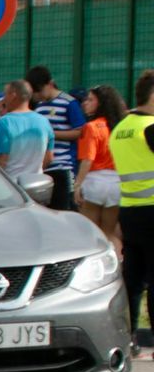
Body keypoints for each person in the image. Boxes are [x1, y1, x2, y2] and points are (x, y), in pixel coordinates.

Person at [111, 72, 154, 358]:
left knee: (133, 281)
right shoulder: (150, 127)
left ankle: (127, 340)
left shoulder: (121, 128)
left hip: (130, 212)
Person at [27, 64, 86, 210]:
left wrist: (51, 134)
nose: (38, 95)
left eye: (40, 91)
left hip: (64, 166)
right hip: (43, 167)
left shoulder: (68, 102)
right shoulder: (39, 106)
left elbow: (80, 131)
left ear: (50, 84)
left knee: (66, 209)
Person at [76, 85, 126, 250]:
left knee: (90, 234)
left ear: (101, 103)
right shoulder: (120, 127)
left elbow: (87, 160)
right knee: (110, 233)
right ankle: (117, 266)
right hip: (116, 183)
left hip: (94, 182)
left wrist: (77, 186)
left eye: (90, 99)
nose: (85, 103)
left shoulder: (92, 127)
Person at [0, 81, 53, 183]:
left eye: (5, 94)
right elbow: (49, 157)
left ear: (13, 96)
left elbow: (1, 159)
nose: (3, 100)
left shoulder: (4, 122)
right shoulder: (44, 121)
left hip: (12, 186)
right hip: (37, 185)